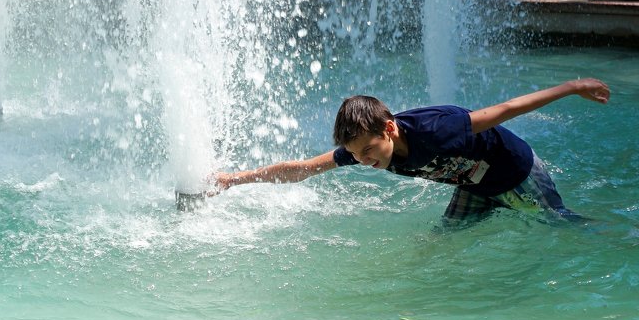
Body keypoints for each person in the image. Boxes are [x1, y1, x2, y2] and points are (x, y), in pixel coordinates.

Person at [214, 78, 610, 224]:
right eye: (359, 155)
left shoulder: (436, 131)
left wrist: (573, 87)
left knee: (562, 225)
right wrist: (233, 180)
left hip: (515, 173)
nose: (366, 161)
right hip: (474, 186)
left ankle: (613, 234)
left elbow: (506, 110)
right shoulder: (365, 147)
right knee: (440, 238)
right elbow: (300, 169)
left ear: (389, 128)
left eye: (370, 150)